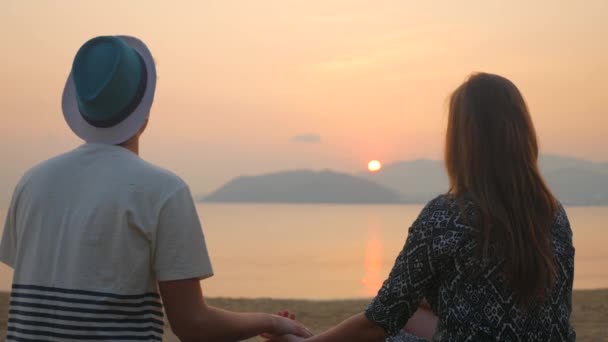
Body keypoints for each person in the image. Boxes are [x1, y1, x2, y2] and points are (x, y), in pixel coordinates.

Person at [0, 35, 310, 341]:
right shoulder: (162, 191)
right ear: (144, 111)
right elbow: (194, 325)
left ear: (83, 108)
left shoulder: (31, 182)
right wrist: (269, 321)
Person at [267, 73, 576, 341]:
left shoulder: (445, 216)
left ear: (461, 140)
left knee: (389, 330)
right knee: (412, 312)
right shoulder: (554, 215)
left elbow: (376, 324)